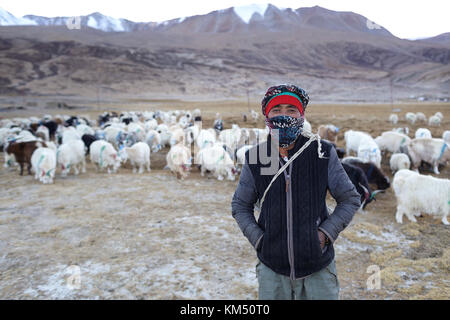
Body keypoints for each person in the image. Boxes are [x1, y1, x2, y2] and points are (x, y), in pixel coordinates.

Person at [231, 84, 361, 300]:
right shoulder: (257, 156)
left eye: (291, 110)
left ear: (302, 114)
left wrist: (325, 234)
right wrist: (260, 240)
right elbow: (240, 206)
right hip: (272, 271)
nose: (284, 116)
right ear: (267, 115)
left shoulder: (322, 152)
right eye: (276, 110)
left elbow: (349, 199)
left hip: (317, 269)